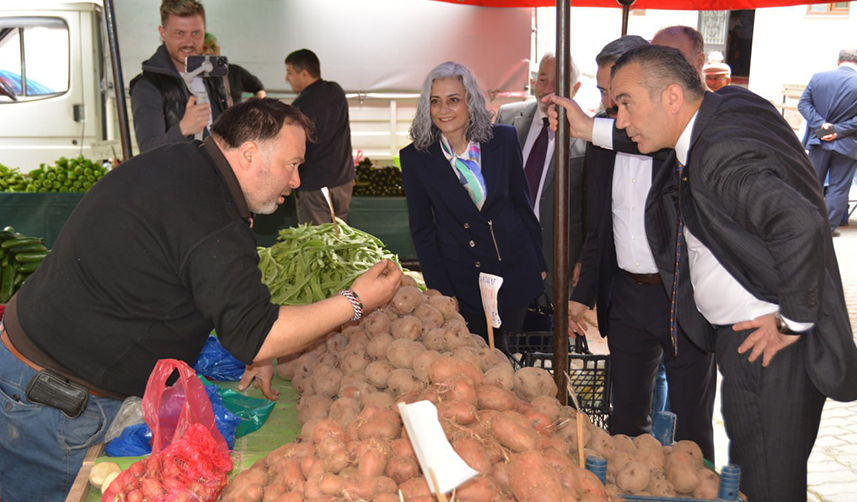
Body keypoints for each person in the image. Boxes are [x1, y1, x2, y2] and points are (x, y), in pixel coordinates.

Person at [0, 98, 402, 502]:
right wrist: (355, 300)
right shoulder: (212, 216)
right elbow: (258, 334)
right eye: (292, 164)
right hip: (50, 405)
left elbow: (192, 279)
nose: (297, 180)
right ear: (248, 155)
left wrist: (255, 347)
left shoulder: (182, 162)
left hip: (29, 367)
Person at [596, 44, 857, 502]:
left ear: (673, 97)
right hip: (756, 339)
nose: (620, 120)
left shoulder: (717, 154)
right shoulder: (729, 106)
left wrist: (790, 321)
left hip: (763, 346)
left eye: (625, 103)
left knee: (767, 486)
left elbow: (800, 223)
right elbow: (652, 135)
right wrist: (587, 129)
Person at [565, 36, 715, 459]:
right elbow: (598, 228)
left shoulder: (676, 138)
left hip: (681, 298)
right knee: (626, 419)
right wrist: (581, 295)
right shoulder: (601, 141)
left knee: (692, 425)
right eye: (603, 93)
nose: (612, 105)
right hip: (626, 298)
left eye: (622, 96)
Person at [400, 62, 547, 341]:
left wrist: (538, 261)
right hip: (463, 278)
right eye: (435, 102)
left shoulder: (503, 139)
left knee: (511, 355)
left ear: (470, 101)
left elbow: (521, 203)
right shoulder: (416, 159)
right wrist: (442, 290)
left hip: (513, 266)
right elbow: (423, 231)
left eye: (453, 100)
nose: (444, 110)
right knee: (478, 356)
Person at [496, 53, 586, 304]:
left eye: (557, 81)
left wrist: (586, 258)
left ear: (575, 88)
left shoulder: (588, 131)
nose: (547, 89)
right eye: (542, 79)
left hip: (559, 260)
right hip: (508, 252)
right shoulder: (507, 118)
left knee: (552, 336)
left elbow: (593, 204)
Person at [130, 0, 231, 153]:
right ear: (163, 33)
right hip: (176, 176)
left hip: (215, 175)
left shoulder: (214, 77)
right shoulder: (148, 85)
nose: (188, 42)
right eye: (179, 33)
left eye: (196, 33)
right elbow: (147, 150)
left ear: (204, 31)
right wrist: (183, 129)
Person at [284, 49, 355, 225]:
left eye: (290, 72)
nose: (287, 78)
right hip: (343, 182)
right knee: (340, 239)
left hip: (315, 187)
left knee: (318, 244)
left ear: (304, 74)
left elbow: (295, 149)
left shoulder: (300, 107)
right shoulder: (336, 91)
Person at [798, 49, 857, 236]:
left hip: (819, 141)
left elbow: (803, 105)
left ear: (838, 61)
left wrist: (822, 126)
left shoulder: (818, 78)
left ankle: (805, 223)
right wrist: (837, 131)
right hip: (847, 144)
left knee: (812, 183)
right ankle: (827, 229)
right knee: (839, 188)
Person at [203, 32, 266, 104]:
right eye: (204, 48)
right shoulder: (193, 75)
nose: (208, 52)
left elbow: (259, 88)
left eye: (213, 47)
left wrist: (252, 108)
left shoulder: (235, 72)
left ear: (219, 49)